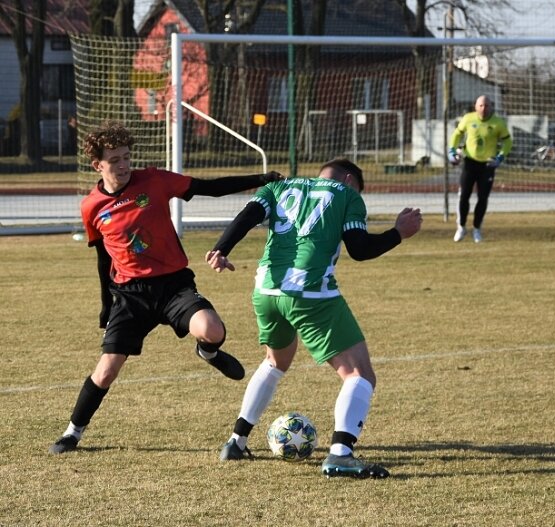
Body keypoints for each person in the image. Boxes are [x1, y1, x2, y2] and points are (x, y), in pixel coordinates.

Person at [48, 120, 282, 454]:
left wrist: (260, 180)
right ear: (97, 165)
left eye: (127, 156)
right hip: (130, 296)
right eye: (115, 160)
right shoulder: (91, 207)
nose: (124, 164)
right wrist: (106, 304)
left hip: (174, 286)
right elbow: (103, 258)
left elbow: (209, 188)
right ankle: (72, 433)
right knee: (106, 371)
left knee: (212, 329)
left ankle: (208, 351)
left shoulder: (154, 180)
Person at [206, 159, 422, 478]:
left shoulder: (278, 186)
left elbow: (248, 215)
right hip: (310, 293)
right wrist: (398, 233)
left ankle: (236, 441)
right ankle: (340, 454)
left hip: (266, 291)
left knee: (275, 361)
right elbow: (360, 249)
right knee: (359, 374)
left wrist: (221, 248)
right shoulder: (347, 195)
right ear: (350, 180)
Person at [448, 95, 512, 243]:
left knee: (482, 198)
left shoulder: (498, 123)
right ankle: (461, 227)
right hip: (470, 163)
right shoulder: (468, 119)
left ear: (491, 107)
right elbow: (457, 134)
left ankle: (477, 229)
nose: (484, 109)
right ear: (476, 106)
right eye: (481, 106)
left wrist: (500, 157)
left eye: (487, 106)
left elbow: (507, 141)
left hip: (488, 165)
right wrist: (452, 150)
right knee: (464, 195)